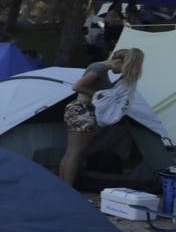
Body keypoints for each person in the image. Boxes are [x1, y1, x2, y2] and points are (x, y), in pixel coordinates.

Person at [58, 47, 145, 188]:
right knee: (75, 154)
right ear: (117, 61)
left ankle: (62, 187)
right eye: (123, 67)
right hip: (83, 111)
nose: (122, 71)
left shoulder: (100, 68)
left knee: (70, 153)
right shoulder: (99, 68)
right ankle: (67, 190)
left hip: (79, 110)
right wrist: (101, 96)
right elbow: (77, 86)